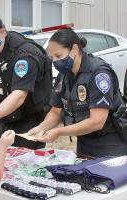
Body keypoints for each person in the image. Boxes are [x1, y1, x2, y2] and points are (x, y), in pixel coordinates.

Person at [28, 28, 127, 157]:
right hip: (84, 140)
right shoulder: (64, 75)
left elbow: (97, 121)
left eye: (58, 56)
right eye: (52, 58)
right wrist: (41, 128)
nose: (56, 62)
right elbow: (56, 111)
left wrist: (58, 132)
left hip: (109, 142)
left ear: (74, 49)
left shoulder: (99, 74)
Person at [0, 12, 52, 149]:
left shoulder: (26, 55)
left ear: (2, 32)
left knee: (21, 164)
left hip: (26, 122)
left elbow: (19, 96)